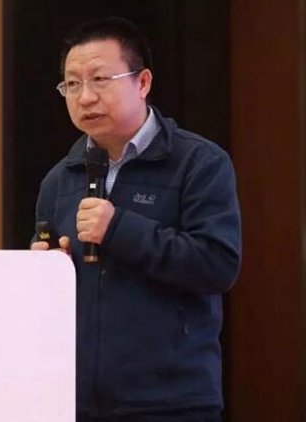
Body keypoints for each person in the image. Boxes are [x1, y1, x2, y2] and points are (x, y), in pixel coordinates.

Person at [31, 17, 241, 421]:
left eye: (100, 80)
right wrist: (46, 271)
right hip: (75, 402)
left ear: (142, 83)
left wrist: (118, 229)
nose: (85, 97)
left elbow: (218, 265)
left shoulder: (199, 163)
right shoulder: (60, 179)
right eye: (72, 84)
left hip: (172, 402)